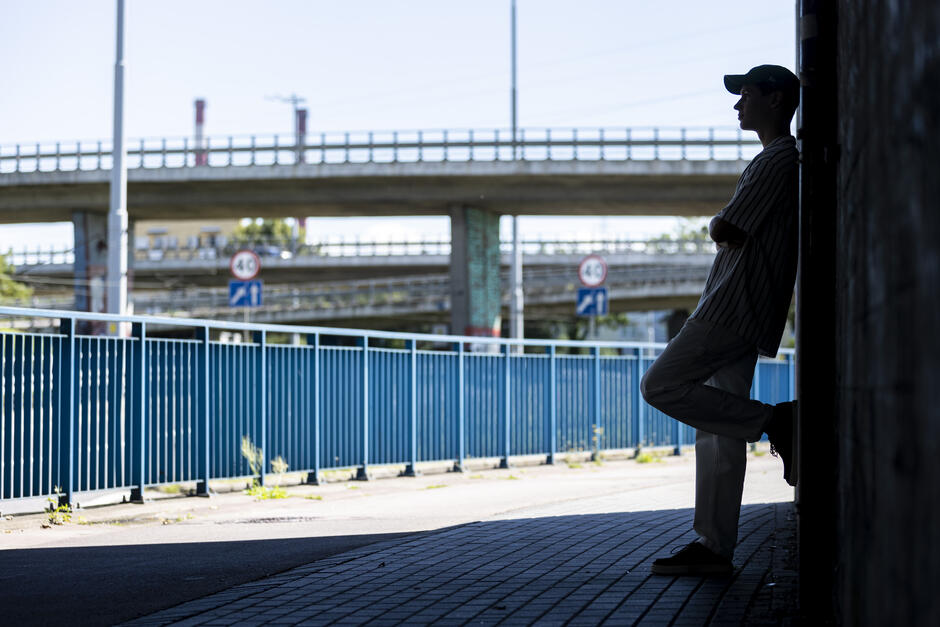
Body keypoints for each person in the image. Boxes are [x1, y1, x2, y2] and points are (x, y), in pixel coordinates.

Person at [640, 65, 801, 577]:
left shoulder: (778, 159)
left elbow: (729, 227)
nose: (738, 107)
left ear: (776, 100)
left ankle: (776, 421)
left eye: (747, 96)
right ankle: (714, 547)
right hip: (744, 306)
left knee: (659, 384)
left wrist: (715, 222)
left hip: (732, 306)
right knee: (716, 428)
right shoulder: (776, 159)